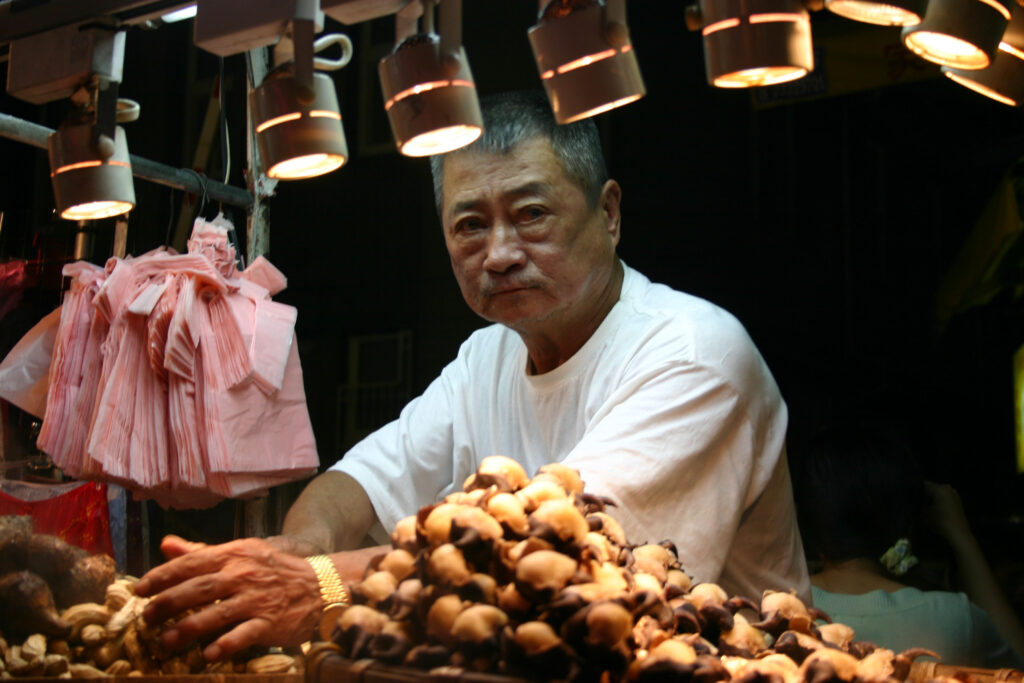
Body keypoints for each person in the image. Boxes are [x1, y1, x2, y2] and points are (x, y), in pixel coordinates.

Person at [133, 90, 809, 662]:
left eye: (531, 214)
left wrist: (317, 586)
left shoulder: (693, 353)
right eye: (469, 225)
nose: (501, 253)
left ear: (608, 213)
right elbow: (357, 483)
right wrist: (300, 550)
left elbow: (551, 560)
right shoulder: (486, 357)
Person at [792, 418, 1024, 668]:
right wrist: (961, 535)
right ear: (908, 517)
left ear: (802, 514)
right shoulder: (953, 620)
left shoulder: (772, 611)